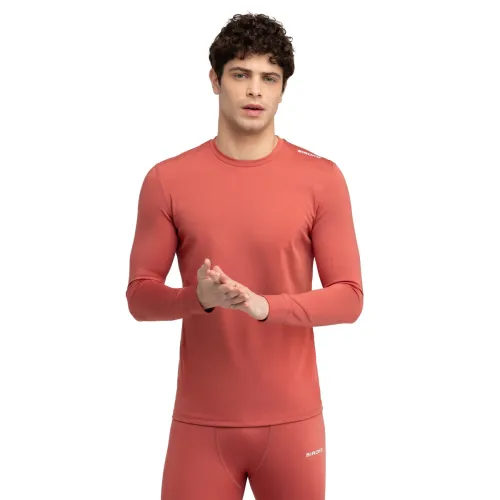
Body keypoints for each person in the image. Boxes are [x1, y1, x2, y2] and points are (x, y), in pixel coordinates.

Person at [126, 12, 363, 500]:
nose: (255, 90)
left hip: (293, 423)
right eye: (240, 74)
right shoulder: (167, 180)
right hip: (201, 424)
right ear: (215, 81)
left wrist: (265, 306)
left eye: (269, 78)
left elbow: (349, 297)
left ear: (283, 89)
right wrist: (198, 298)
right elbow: (140, 297)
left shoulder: (322, 179)